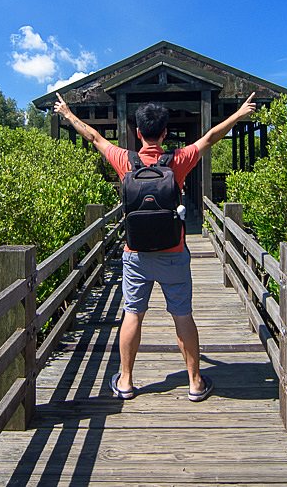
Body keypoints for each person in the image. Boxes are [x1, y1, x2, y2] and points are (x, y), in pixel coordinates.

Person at [53, 91, 257, 403]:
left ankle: (126, 381)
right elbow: (211, 137)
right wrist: (240, 114)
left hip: (135, 254)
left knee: (133, 314)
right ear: (164, 133)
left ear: (138, 132)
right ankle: (195, 382)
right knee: (182, 315)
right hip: (174, 253)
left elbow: (94, 137)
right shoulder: (177, 161)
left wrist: (67, 114)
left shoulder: (125, 161)